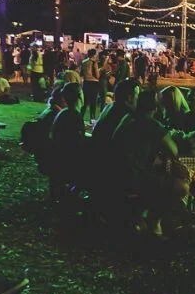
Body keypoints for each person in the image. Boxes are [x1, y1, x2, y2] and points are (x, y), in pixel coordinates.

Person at [109, 90, 189, 236]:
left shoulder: (127, 118)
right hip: (133, 177)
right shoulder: (151, 124)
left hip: (115, 171)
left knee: (159, 173)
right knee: (180, 186)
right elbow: (173, 150)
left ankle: (145, 216)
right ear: (156, 108)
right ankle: (155, 221)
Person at [79, 49, 102, 123]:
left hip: (86, 82)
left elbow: (81, 73)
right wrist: (100, 71)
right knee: (93, 102)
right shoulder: (94, 62)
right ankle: (92, 118)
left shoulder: (83, 62)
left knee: (85, 102)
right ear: (94, 55)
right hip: (93, 83)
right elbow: (97, 75)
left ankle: (80, 118)